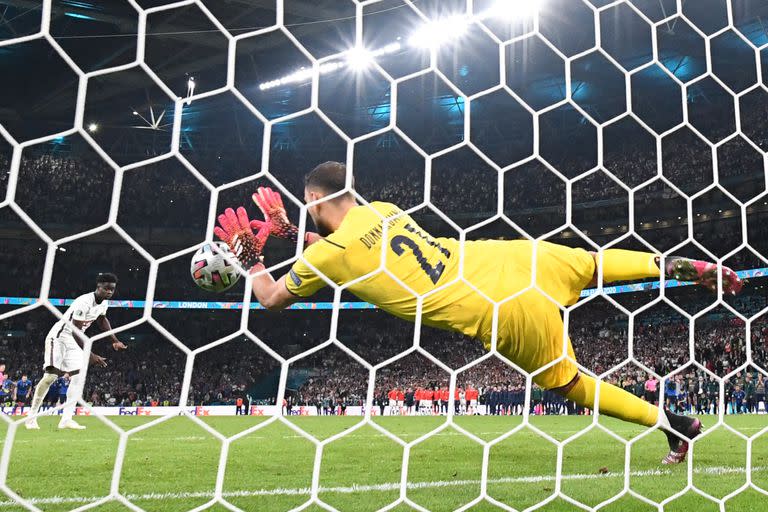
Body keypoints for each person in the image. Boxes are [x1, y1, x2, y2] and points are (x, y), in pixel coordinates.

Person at [214, 162, 744, 464]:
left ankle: (672, 423)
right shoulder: (385, 211)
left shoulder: (328, 253)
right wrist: (293, 231)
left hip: (498, 310)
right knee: (590, 263)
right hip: (507, 258)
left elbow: (273, 297)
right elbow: (350, 247)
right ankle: (672, 264)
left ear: (312, 197)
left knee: (571, 385)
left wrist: (253, 259)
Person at [25, 273, 127, 430]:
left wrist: (114, 341)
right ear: (98, 287)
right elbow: (75, 331)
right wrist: (91, 355)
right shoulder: (83, 302)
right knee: (51, 376)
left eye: (112, 289)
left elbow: (102, 320)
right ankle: (31, 418)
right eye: (106, 288)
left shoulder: (103, 303)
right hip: (59, 337)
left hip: (73, 340)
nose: (109, 292)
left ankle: (66, 419)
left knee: (79, 377)